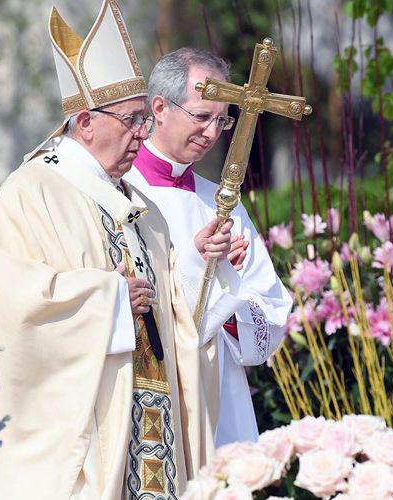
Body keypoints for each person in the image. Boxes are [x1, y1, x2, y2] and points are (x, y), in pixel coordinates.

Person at [0, 3, 230, 497]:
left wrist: (200, 265)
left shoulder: (143, 208)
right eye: (131, 120)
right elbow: (8, 305)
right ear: (85, 121)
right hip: (83, 433)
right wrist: (109, 298)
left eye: (144, 119)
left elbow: (178, 315)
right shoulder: (31, 192)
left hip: (153, 421)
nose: (143, 132)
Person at [123, 48, 293, 447]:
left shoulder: (222, 202)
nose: (213, 133)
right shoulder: (122, 192)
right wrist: (200, 267)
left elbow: (271, 316)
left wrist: (227, 286)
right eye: (202, 117)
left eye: (222, 120)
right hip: (149, 384)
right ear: (160, 108)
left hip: (220, 396)